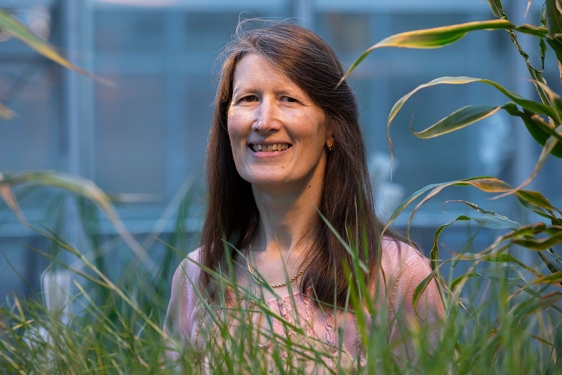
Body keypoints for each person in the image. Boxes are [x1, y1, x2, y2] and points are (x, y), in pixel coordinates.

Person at [164, 20, 444, 373]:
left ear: (331, 128)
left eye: (288, 99)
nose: (264, 121)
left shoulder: (396, 273)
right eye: (249, 99)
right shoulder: (197, 276)